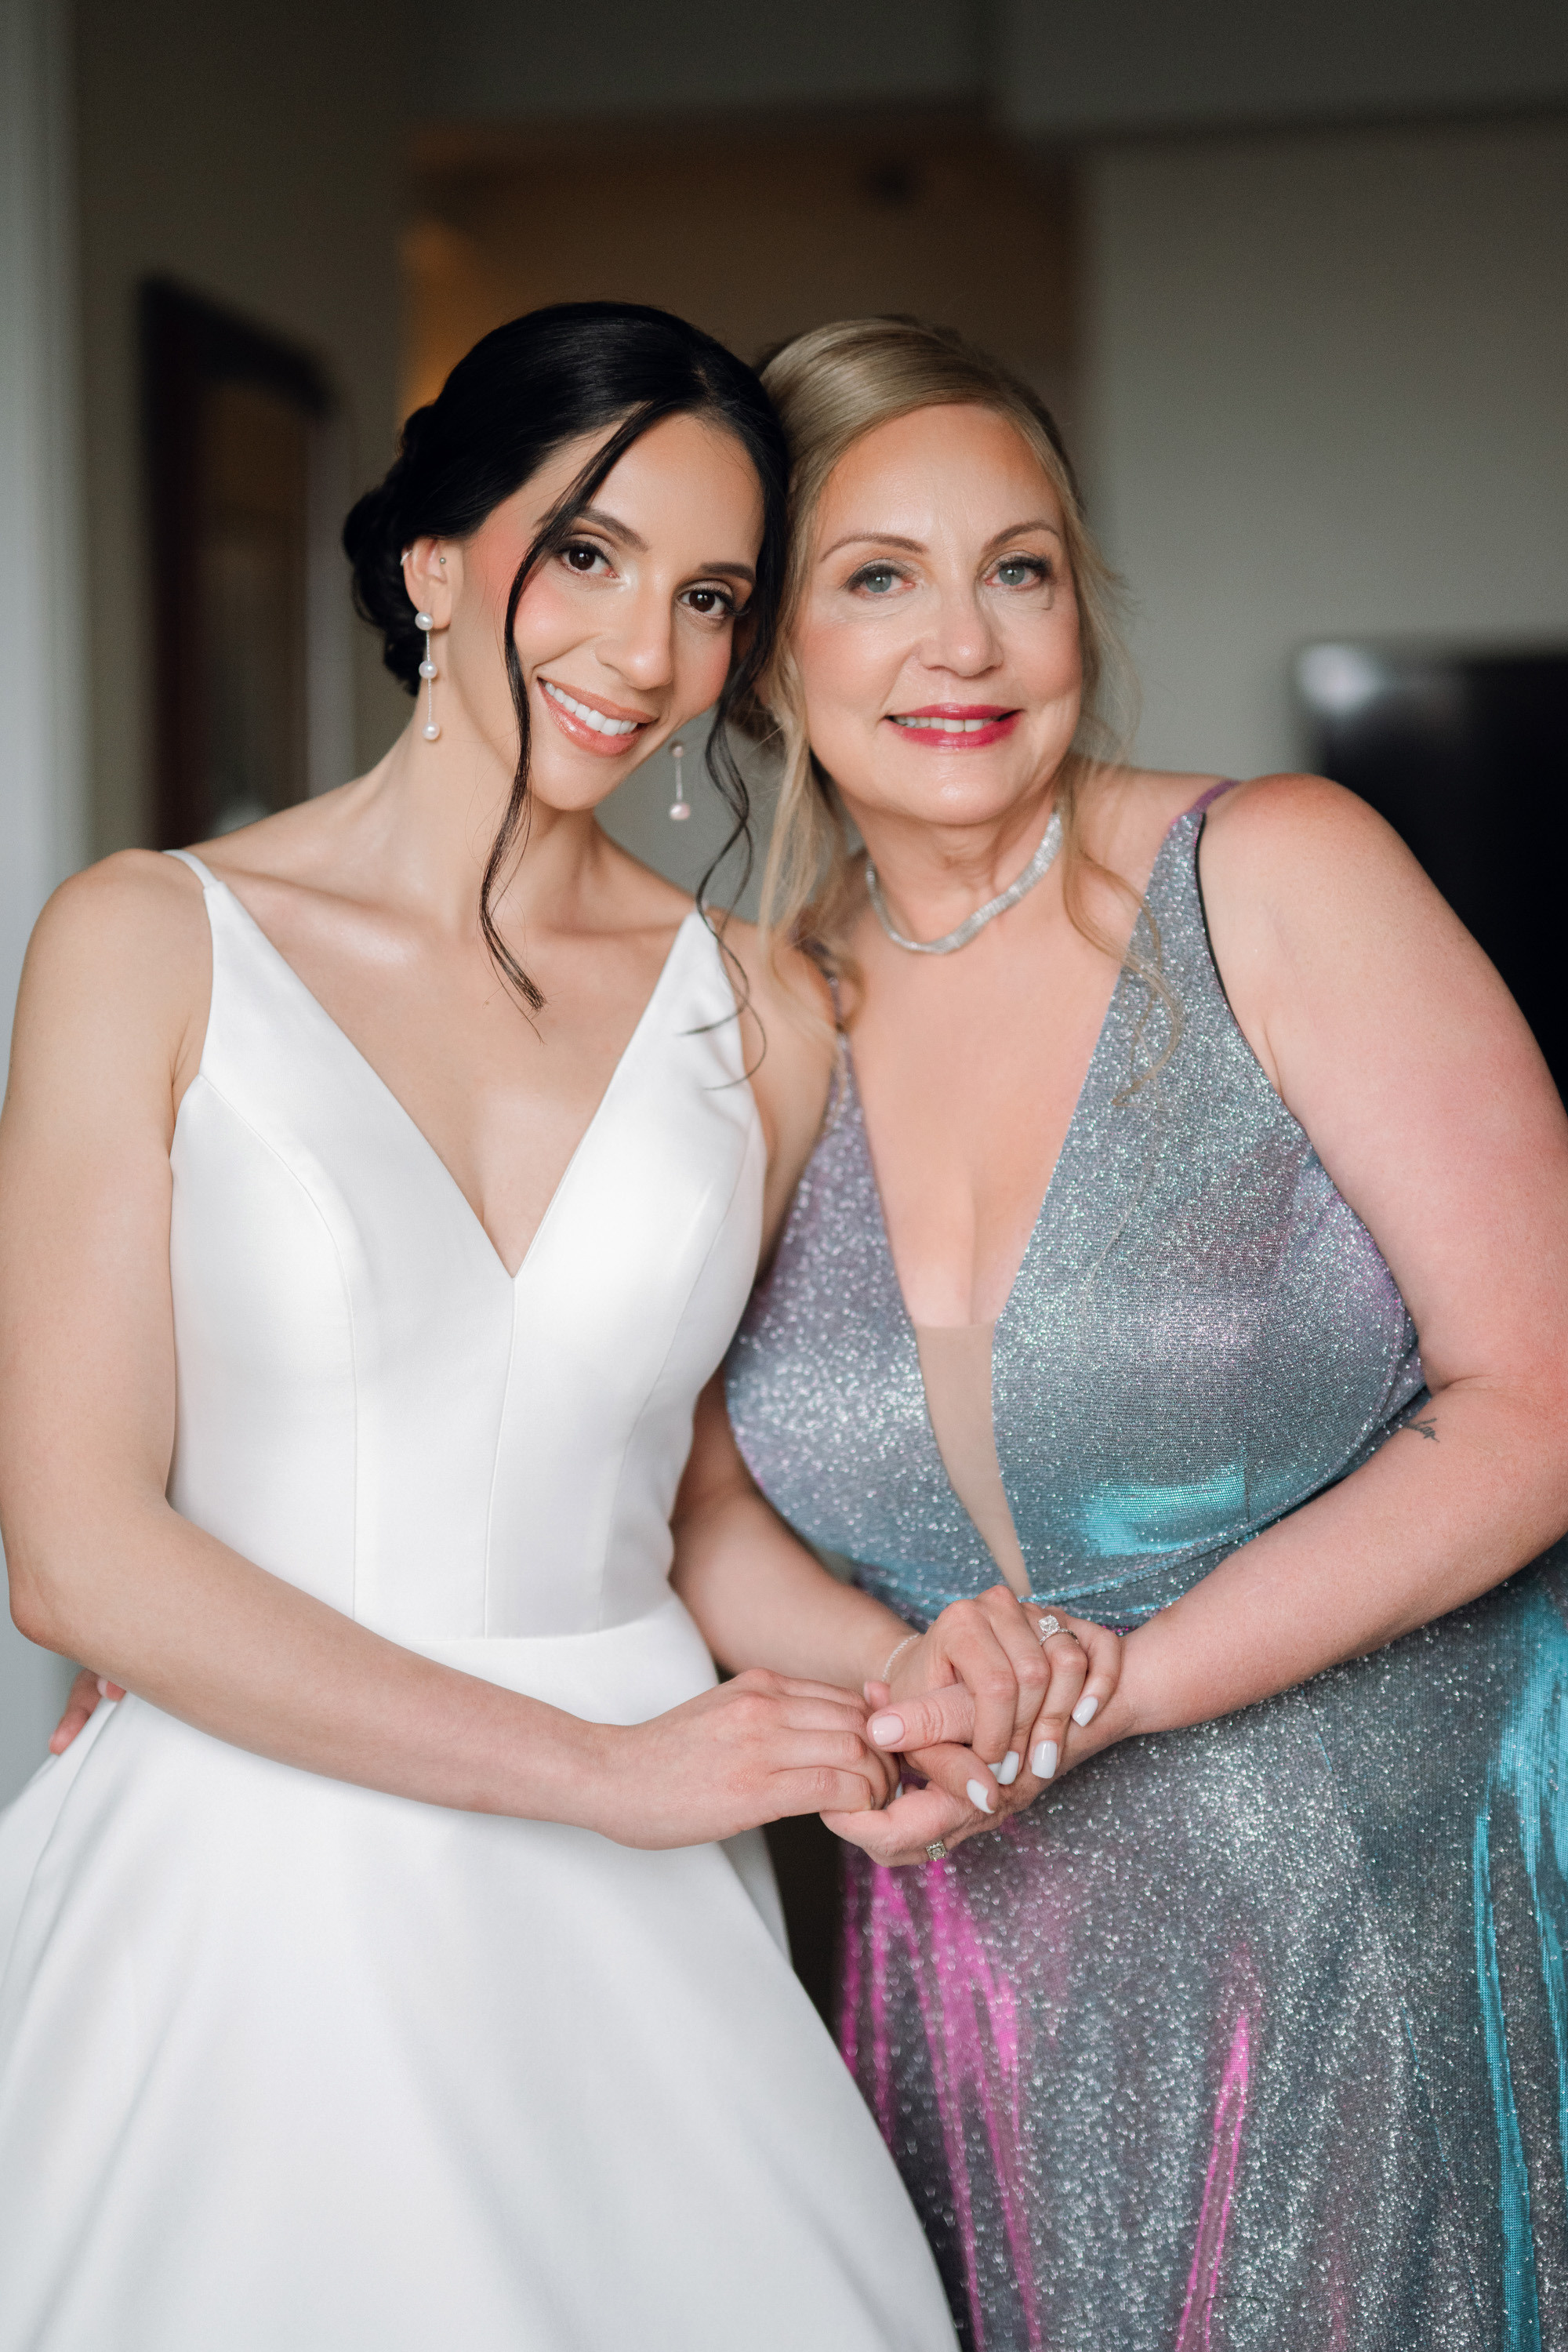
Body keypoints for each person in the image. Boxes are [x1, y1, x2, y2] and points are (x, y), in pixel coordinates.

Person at [0, 303, 971, 2352]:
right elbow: (74, 1554)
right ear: (436, 559)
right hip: (248, 1870)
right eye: (586, 554)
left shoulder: (770, 1012)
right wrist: (597, 1772)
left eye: (708, 597)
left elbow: (689, 1506)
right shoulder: (145, 941)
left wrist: (909, 1675)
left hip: (643, 1881)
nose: (644, 652)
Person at [687, 318, 1568, 2348]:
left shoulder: (1273, 874)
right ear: (763, 646)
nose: (966, 642)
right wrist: (907, 1681)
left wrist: (1118, 1692)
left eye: (1020, 568)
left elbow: (1539, 1389)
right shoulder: (751, 1013)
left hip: (1381, 1915)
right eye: (879, 577)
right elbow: (697, 1505)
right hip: (985, 1967)